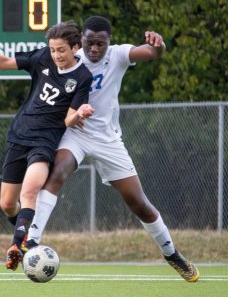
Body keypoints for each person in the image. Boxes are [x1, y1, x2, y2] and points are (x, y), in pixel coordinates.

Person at [24, 15, 200, 282]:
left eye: (100, 44)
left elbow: (151, 52)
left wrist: (158, 45)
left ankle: (172, 253)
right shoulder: (70, 56)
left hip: (108, 139)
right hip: (76, 133)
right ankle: (31, 243)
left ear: (109, 42)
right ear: (80, 41)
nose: (94, 49)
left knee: (139, 203)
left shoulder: (118, 55)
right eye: (89, 43)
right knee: (57, 172)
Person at [0, 21, 95, 271]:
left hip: (44, 143)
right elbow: (3, 64)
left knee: (30, 191)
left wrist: (81, 114)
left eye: (61, 50)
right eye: (53, 49)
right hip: (20, 135)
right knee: (7, 204)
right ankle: (26, 231)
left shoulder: (82, 77)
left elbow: (68, 119)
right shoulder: (43, 57)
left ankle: (18, 246)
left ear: (75, 47)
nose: (56, 55)